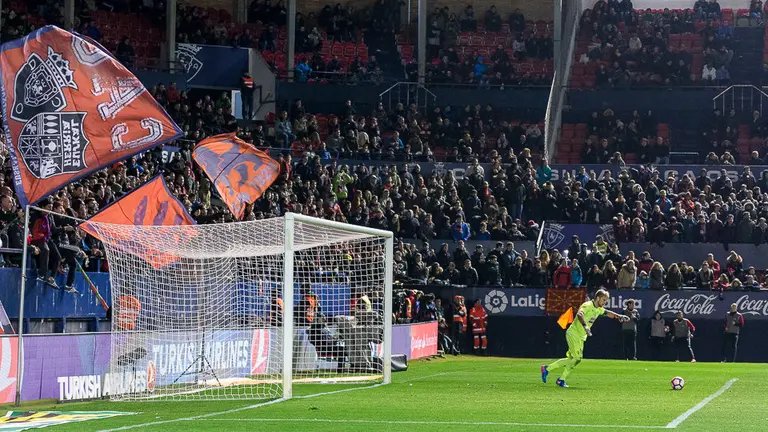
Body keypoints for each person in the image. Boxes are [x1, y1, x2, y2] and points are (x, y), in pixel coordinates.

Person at [541, 289, 629, 387]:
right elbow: (580, 314)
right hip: (574, 334)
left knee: (573, 359)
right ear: (598, 298)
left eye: (606, 301)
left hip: (581, 336)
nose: (605, 302)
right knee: (577, 358)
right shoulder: (587, 305)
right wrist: (585, 326)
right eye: (604, 300)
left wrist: (619, 316)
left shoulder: (598, 309)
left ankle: (559, 378)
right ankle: (549, 370)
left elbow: (608, 313)